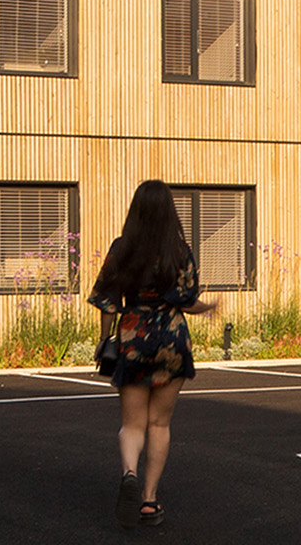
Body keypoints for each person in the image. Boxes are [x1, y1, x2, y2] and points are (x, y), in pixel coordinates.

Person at [89, 180, 218, 528]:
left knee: (132, 424)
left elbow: (107, 301)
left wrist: (104, 340)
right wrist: (209, 306)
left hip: (134, 333)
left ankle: (129, 473)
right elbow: (187, 300)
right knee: (159, 423)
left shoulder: (122, 248)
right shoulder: (179, 250)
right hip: (171, 338)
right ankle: (148, 501)